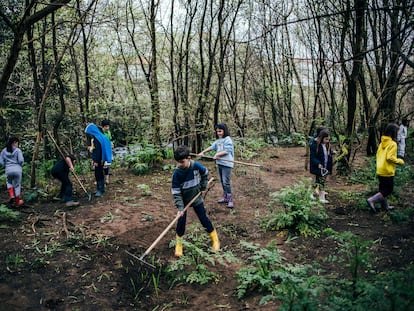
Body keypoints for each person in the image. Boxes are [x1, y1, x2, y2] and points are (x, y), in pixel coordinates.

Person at [172, 145, 220, 257]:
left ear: (189, 158)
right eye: (178, 162)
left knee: (203, 218)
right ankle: (179, 245)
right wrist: (180, 208)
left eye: (182, 162)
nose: (179, 164)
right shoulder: (177, 173)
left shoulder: (196, 166)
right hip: (183, 200)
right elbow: (176, 192)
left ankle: (215, 240)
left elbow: (205, 173)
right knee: (181, 221)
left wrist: (203, 186)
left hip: (196, 197)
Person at [367, 123, 404, 212]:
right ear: (393, 133)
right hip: (387, 170)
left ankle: (385, 207)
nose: (398, 134)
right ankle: (372, 200)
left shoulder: (381, 143)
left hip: (380, 169)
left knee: (382, 189)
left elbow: (378, 155)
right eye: (397, 132)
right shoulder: (393, 144)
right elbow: (390, 157)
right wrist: (400, 161)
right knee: (388, 190)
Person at [198, 123, 235, 209]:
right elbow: (212, 147)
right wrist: (203, 152)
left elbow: (227, 151)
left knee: (226, 182)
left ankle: (230, 200)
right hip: (220, 163)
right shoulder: (219, 140)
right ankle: (225, 197)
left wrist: (217, 155)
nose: (218, 133)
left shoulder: (227, 139)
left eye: (220, 131)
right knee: (222, 181)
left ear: (224, 130)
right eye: (217, 131)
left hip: (227, 163)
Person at [85, 123, 113, 197]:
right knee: (99, 173)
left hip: (99, 159)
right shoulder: (101, 137)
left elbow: (97, 151)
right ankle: (99, 189)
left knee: (98, 174)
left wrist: (95, 161)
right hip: (102, 158)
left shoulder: (97, 138)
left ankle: (100, 190)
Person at [310, 129, 333, 204]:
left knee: (321, 182)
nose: (327, 141)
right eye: (326, 139)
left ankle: (318, 194)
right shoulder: (314, 145)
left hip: (325, 167)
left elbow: (327, 153)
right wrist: (318, 163)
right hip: (318, 167)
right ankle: (319, 196)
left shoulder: (327, 144)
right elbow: (312, 157)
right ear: (321, 137)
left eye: (328, 139)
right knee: (318, 182)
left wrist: (332, 153)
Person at [0, 137, 25, 206]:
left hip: (8, 170)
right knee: (17, 185)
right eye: (17, 143)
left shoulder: (4, 151)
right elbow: (21, 160)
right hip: (17, 170)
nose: (17, 145)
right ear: (14, 142)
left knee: (9, 182)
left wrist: (6, 165)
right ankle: (17, 202)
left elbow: (1, 162)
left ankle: (12, 195)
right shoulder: (18, 150)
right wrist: (20, 165)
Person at [101, 119, 113, 184]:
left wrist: (111, 144)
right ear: (103, 127)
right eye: (106, 126)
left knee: (107, 165)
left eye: (108, 126)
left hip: (107, 151)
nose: (107, 128)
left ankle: (107, 179)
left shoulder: (108, 132)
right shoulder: (101, 133)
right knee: (101, 165)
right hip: (102, 151)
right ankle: (101, 179)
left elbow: (110, 140)